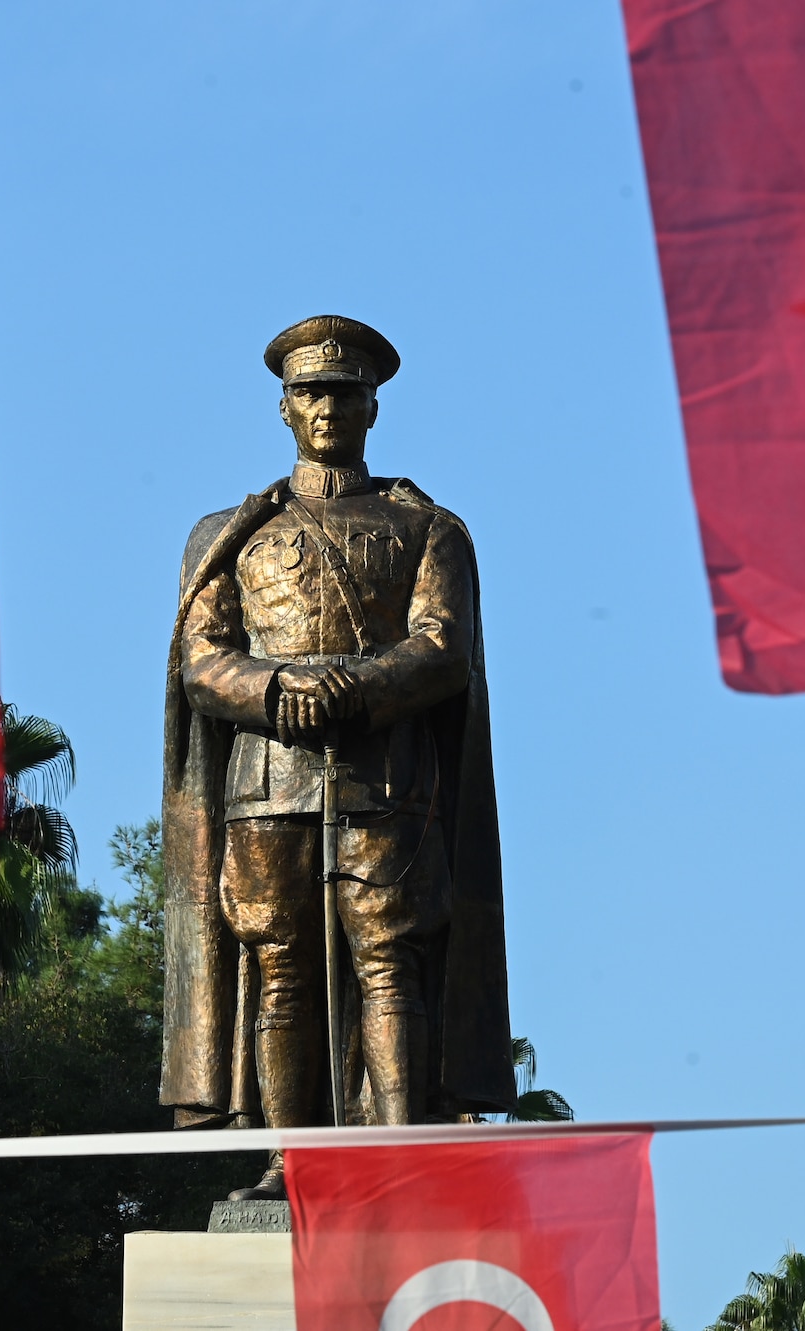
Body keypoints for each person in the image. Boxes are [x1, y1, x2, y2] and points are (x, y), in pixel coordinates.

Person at [159, 315, 514, 1199]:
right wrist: (280, 693)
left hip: (386, 784)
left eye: (346, 393)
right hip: (265, 788)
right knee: (279, 967)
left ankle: (396, 1158)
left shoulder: (430, 529)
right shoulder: (227, 536)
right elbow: (201, 661)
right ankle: (293, 1166)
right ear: (283, 408)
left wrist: (352, 689)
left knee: (388, 959)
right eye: (312, 392)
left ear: (373, 408)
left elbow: (441, 647)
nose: (328, 406)